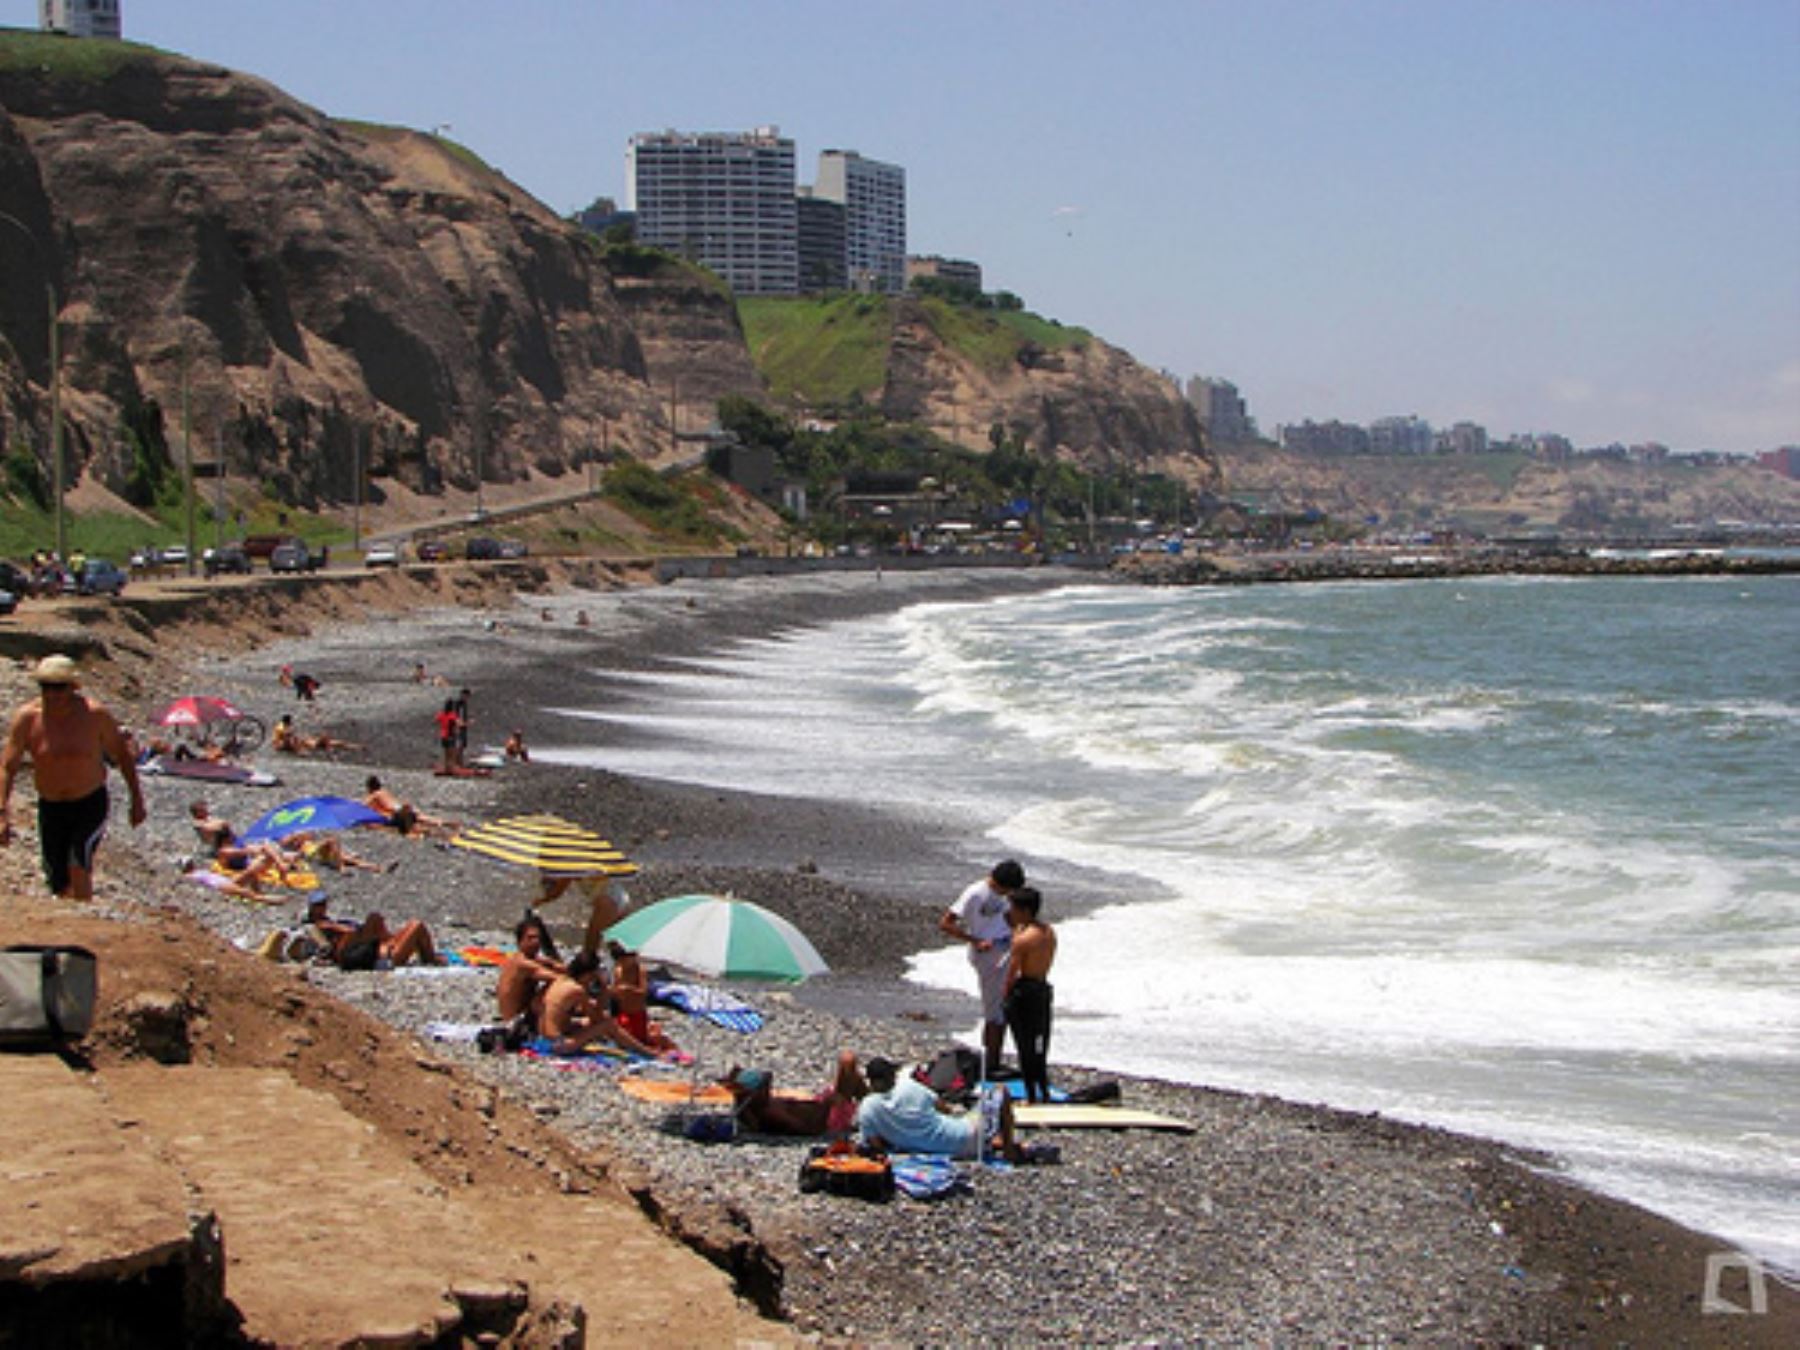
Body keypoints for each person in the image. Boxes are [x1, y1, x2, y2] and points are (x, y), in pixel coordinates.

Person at [0, 654, 148, 900]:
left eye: (59, 687)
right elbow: (8, 767)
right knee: (58, 880)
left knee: (79, 861)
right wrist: (2, 812)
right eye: (46, 686)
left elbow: (122, 756)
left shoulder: (94, 715)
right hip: (51, 806)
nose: (52, 694)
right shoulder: (28, 718)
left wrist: (137, 800)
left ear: (72, 687)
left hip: (89, 802)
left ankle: (88, 919)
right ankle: (74, 918)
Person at [937, 859, 1026, 1072]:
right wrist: (974, 940)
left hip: (1004, 947)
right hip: (989, 953)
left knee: (1003, 1007)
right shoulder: (975, 893)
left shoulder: (1005, 896)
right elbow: (946, 923)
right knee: (995, 1012)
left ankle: (994, 1059)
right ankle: (991, 1063)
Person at [855, 1056, 1018, 1160]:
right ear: (892, 1075)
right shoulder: (909, 1086)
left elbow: (876, 1146)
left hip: (937, 1151)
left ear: (870, 1081)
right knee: (1000, 1091)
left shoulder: (867, 1108)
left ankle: (996, 1142)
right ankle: (1009, 1150)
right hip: (963, 1136)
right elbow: (944, 1108)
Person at [721, 1053, 869, 1137]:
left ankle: (877, 1107)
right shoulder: (771, 1113)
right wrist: (827, 1105)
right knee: (848, 1063)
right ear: (756, 1092)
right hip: (830, 1119)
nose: (769, 1088)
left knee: (850, 1071)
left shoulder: (753, 1105)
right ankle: (878, 1109)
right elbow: (804, 1129)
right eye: (765, 1086)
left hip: (822, 1107)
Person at [539, 951, 656, 1056]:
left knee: (589, 1022)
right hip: (558, 1044)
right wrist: (604, 987)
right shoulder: (577, 990)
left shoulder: (561, 980)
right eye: (593, 976)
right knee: (609, 1024)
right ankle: (646, 1051)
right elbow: (596, 1017)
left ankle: (631, 1045)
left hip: (544, 1038)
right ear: (588, 974)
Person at [1003, 886, 1058, 1104]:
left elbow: (1012, 971)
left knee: (1024, 1045)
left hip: (1025, 991)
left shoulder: (1022, 940)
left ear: (1024, 910)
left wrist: (1005, 996)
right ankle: (1043, 1090)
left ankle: (1031, 1096)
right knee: (1040, 1042)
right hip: (1042, 988)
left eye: (1013, 908)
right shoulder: (1048, 932)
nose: (1010, 913)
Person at [304, 895, 441, 969]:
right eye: (319, 905)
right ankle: (431, 959)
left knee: (412, 925)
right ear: (311, 908)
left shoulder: (331, 925)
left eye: (324, 904)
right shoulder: (321, 928)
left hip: (379, 951)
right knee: (416, 926)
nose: (323, 908)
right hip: (382, 958)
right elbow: (344, 939)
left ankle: (430, 958)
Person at [605, 941, 679, 1055]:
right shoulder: (618, 970)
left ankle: (673, 1048)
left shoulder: (639, 970)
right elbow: (615, 994)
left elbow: (644, 992)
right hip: (623, 1013)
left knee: (646, 1039)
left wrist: (629, 989)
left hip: (637, 1013)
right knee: (625, 1040)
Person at [497, 913, 565, 1023]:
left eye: (538, 938)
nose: (536, 942)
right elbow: (560, 979)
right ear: (520, 941)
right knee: (557, 985)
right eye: (530, 938)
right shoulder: (523, 964)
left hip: (519, 1016)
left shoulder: (527, 958)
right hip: (517, 1022)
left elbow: (557, 966)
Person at [362, 775, 456, 838]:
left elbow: (363, 806)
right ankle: (442, 823)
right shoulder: (384, 793)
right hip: (402, 810)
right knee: (419, 818)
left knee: (414, 828)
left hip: (396, 815)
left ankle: (439, 833)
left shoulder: (374, 795)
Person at [272, 714, 363, 755]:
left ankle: (354, 746)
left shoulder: (284, 727)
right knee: (296, 740)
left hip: (298, 743)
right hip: (282, 744)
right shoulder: (281, 727)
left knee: (337, 743)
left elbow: (292, 737)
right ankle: (300, 751)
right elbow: (288, 738)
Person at [433, 699, 461, 772]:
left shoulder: (442, 714)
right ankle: (452, 767)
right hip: (451, 735)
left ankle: (447, 767)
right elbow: (458, 723)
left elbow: (435, 721)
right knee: (452, 752)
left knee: (446, 752)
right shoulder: (452, 715)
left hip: (443, 735)